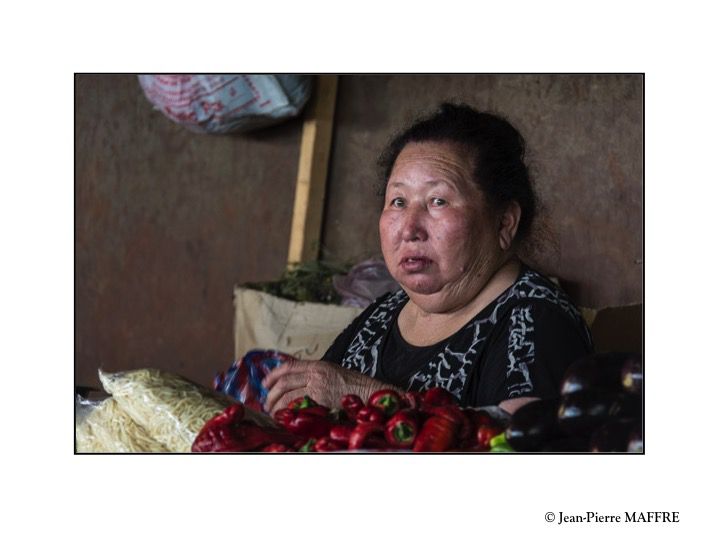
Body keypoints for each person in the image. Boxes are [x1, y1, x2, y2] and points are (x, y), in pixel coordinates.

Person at [263, 103, 593, 415]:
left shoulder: (536, 323)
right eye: (398, 201)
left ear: (504, 223)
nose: (409, 229)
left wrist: (372, 397)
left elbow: (524, 453)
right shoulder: (382, 315)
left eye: (438, 201)